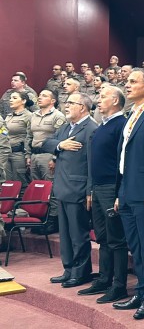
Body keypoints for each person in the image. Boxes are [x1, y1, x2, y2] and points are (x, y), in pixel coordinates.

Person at [112, 68, 144, 320]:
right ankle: (141, 289)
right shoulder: (131, 113)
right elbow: (124, 156)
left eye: (133, 81)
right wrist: (119, 191)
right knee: (135, 245)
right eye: (127, 81)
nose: (128, 85)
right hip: (126, 188)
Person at [79, 86, 129, 304]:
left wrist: (120, 192)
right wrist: (91, 188)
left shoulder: (121, 124)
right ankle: (104, 278)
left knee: (116, 239)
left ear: (116, 100)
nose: (98, 101)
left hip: (111, 187)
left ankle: (119, 286)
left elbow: (122, 162)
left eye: (102, 97)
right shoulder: (103, 125)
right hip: (98, 188)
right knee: (102, 237)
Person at [43, 93, 98, 288]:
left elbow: (93, 164)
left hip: (78, 188)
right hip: (62, 186)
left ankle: (81, 272)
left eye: (71, 103)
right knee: (65, 234)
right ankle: (68, 269)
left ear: (83, 107)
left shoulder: (91, 128)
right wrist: (60, 145)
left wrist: (90, 191)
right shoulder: (66, 127)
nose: (66, 106)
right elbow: (46, 143)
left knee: (78, 234)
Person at [27, 89, 66, 235]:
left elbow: (60, 138)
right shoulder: (34, 115)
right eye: (39, 95)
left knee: (51, 189)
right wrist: (28, 154)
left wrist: (55, 158)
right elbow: (29, 136)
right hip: (35, 155)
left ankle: (52, 221)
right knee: (37, 189)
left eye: (44, 96)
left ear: (53, 100)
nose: (39, 97)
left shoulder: (58, 116)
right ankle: (39, 219)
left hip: (48, 155)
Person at [6, 91, 33, 192]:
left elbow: (30, 136)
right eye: (10, 98)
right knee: (7, 184)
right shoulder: (9, 116)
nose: (11, 100)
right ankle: (8, 207)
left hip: (19, 153)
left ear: (23, 101)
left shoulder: (29, 116)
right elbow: (4, 132)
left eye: (14, 98)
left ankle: (21, 207)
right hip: (7, 152)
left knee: (20, 183)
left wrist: (28, 155)